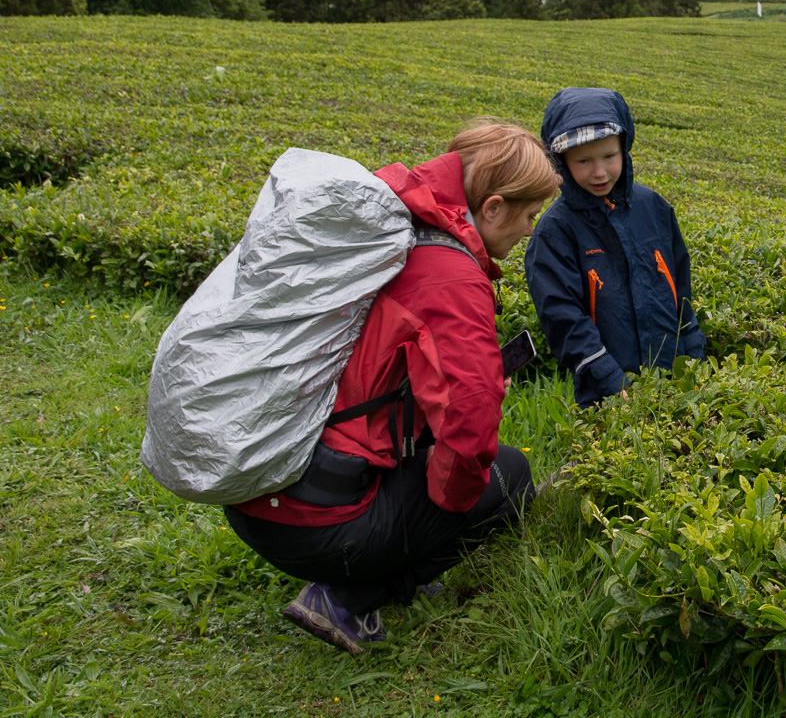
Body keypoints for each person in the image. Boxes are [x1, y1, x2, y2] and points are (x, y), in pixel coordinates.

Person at [224, 120, 560, 655]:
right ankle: (352, 596)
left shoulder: (390, 221)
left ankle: (370, 555)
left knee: (424, 461)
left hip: (250, 484)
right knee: (508, 475)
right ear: (493, 207)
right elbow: (469, 427)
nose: (529, 230)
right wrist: (443, 516)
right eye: (528, 215)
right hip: (318, 524)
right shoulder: (452, 278)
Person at [525, 88, 705, 407]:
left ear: (625, 147)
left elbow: (682, 292)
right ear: (562, 162)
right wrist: (608, 378)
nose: (599, 172)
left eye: (609, 156)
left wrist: (694, 357)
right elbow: (562, 317)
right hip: (605, 394)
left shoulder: (654, 209)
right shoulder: (556, 231)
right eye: (583, 161)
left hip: (675, 384)